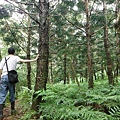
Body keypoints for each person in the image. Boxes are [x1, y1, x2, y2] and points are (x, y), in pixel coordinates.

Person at [0, 47, 39, 120]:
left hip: (3, 77)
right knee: (12, 93)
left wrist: (1, 78)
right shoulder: (15, 58)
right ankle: (12, 110)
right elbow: (24, 61)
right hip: (11, 77)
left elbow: (0, 69)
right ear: (14, 52)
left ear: (8, 52)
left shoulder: (4, 59)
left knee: (2, 95)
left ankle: (0, 114)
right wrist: (34, 59)